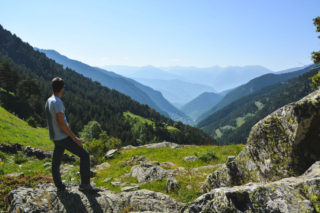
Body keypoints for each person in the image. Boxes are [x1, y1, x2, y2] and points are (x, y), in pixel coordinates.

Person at [45, 77, 99, 192]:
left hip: (55, 137)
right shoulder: (57, 102)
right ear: (62, 88)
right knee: (84, 155)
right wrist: (74, 138)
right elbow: (61, 123)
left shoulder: (49, 100)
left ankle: (59, 186)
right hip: (63, 136)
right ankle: (85, 185)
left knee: (56, 161)